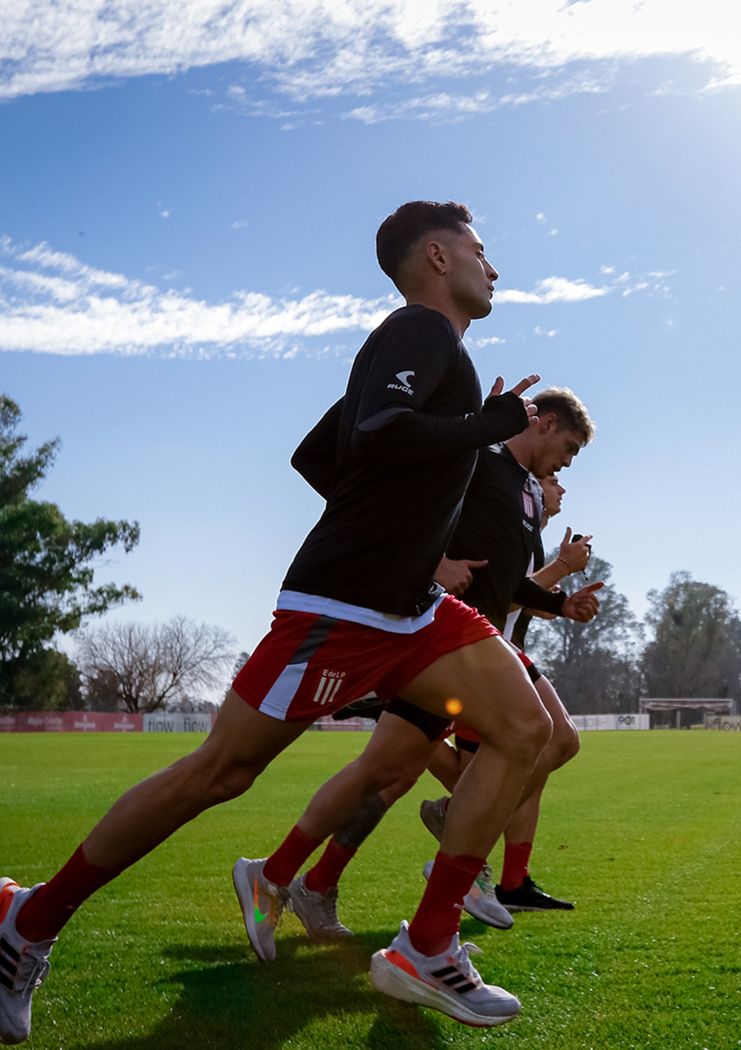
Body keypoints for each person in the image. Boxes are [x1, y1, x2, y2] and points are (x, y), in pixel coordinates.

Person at [0, 200, 550, 1042]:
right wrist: (488, 428)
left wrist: (415, 546)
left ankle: (426, 947)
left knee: (528, 730)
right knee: (220, 773)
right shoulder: (418, 332)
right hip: (342, 608)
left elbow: (326, 453)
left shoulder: (431, 351)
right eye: (481, 250)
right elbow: (383, 435)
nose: (493, 267)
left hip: (409, 609)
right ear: (437, 256)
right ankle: (27, 921)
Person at [244, 390, 598, 948]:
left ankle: (288, 875)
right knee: (549, 735)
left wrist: (559, 603)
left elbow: (502, 585)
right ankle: (446, 901)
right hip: (442, 642)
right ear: (547, 423)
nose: (568, 463)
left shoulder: (520, 491)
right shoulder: (479, 459)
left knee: (384, 773)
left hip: (457, 645)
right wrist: (432, 564)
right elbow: (393, 505)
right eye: (570, 448)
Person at [419, 469, 592, 913]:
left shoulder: (529, 533)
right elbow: (504, 596)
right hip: (481, 660)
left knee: (522, 765)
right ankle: (458, 854)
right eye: (554, 476)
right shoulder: (502, 517)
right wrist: (562, 569)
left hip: (500, 659)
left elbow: (525, 600)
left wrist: (561, 601)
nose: (561, 487)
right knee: (411, 768)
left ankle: (511, 881)